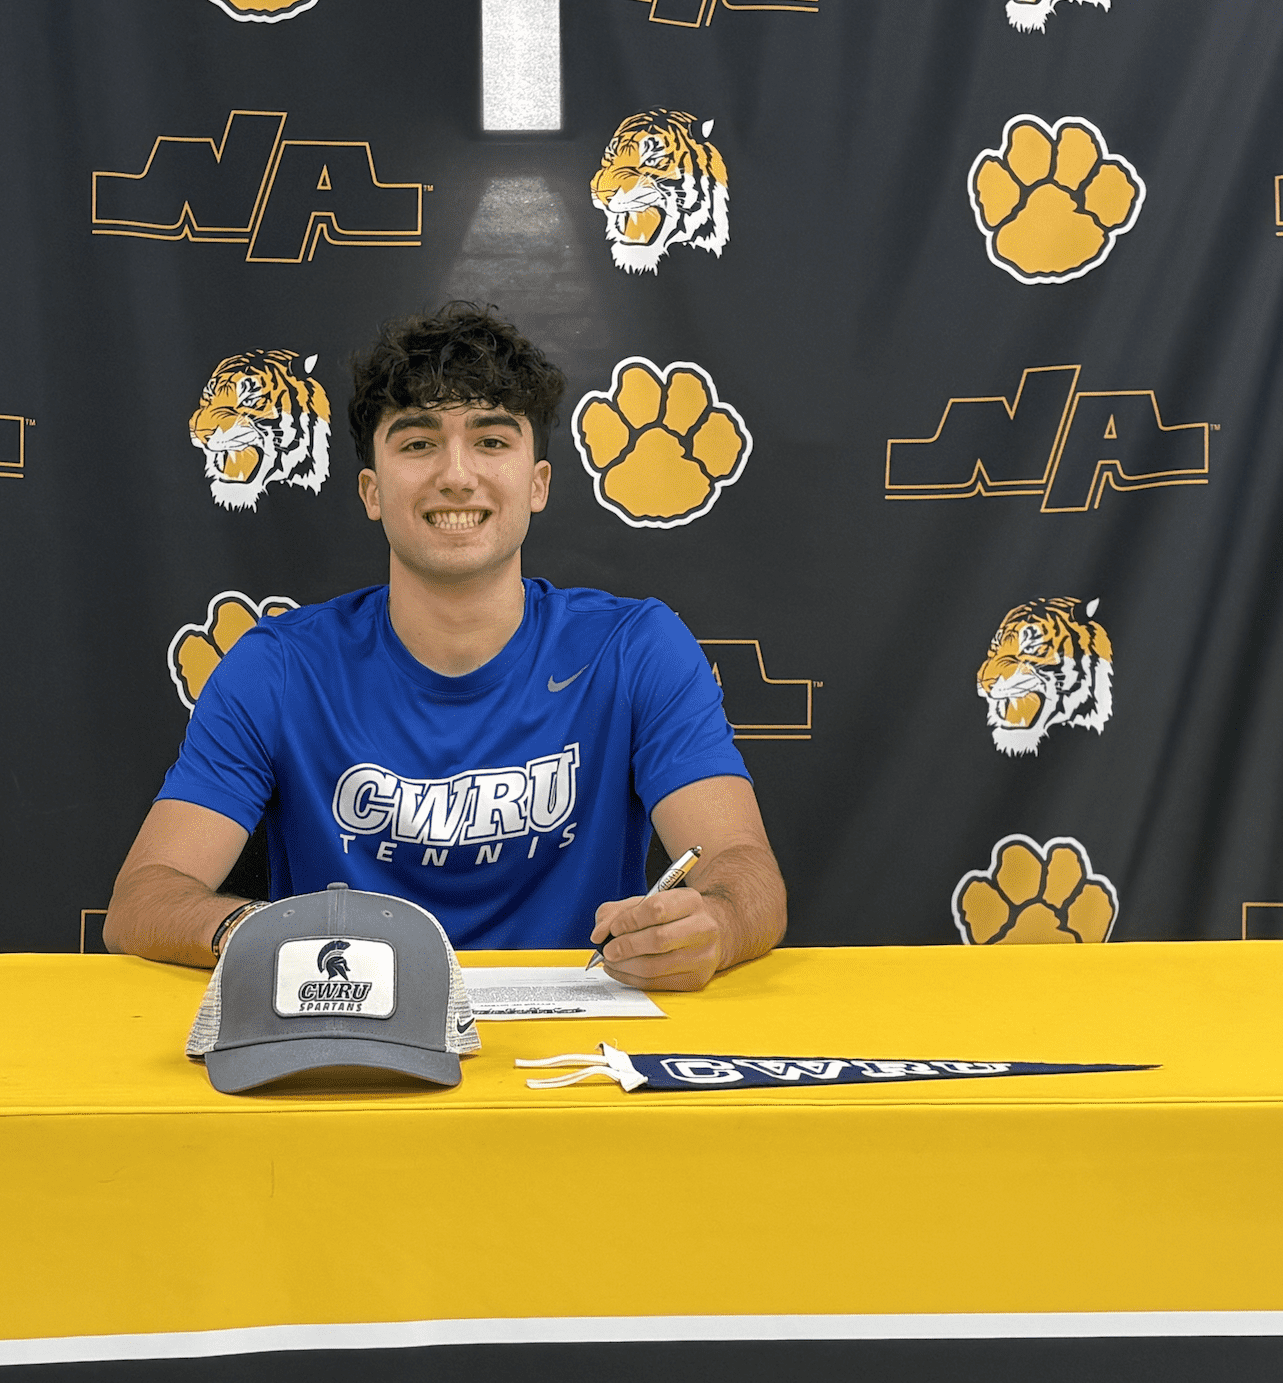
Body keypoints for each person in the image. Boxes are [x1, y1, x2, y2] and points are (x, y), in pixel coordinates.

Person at [105, 303, 784, 990]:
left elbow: (744, 869)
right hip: (348, 1027)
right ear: (371, 491)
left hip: (579, 1033)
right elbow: (142, 901)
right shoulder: (276, 668)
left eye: (491, 441)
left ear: (538, 484)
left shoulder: (635, 648)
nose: (456, 475)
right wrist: (265, 937)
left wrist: (715, 923)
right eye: (417, 443)